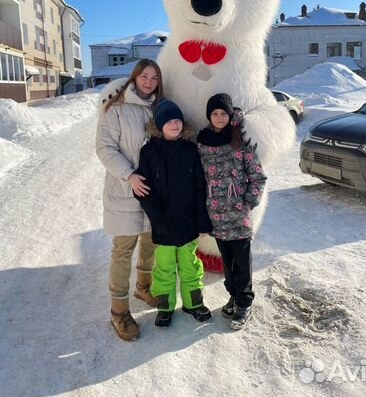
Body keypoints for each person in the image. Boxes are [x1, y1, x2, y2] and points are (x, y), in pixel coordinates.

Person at [96, 59, 163, 341]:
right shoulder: (116, 108)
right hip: (125, 189)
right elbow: (104, 148)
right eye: (144, 76)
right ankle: (118, 310)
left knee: (150, 240)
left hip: (154, 191)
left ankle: (143, 287)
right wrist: (129, 175)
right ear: (134, 77)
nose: (148, 82)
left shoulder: (160, 108)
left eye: (154, 78)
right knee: (123, 248)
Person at [134, 98, 213, 327]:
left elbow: (200, 187)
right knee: (165, 268)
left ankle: (193, 304)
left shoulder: (190, 150)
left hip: (188, 223)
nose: (175, 125)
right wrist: (157, 217)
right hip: (163, 224)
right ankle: (165, 307)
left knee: (191, 265)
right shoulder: (148, 152)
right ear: (160, 125)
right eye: (169, 121)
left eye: (178, 120)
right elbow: (144, 191)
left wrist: (201, 221)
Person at [197, 93, 267, 330]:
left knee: (241, 260)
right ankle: (234, 296)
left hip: (238, 214)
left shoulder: (240, 141)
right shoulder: (203, 143)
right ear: (209, 116)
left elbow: (258, 177)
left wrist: (248, 202)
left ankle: (245, 301)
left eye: (223, 113)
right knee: (227, 261)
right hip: (215, 214)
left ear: (229, 115)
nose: (219, 117)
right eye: (214, 113)